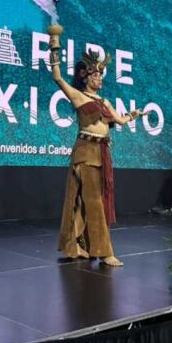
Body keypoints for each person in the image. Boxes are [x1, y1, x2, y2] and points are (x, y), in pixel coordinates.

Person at [47, 24, 144, 267]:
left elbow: (119, 120)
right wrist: (54, 45)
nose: (99, 78)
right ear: (86, 77)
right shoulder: (78, 96)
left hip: (102, 153)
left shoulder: (104, 101)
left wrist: (134, 115)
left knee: (88, 200)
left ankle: (78, 246)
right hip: (85, 153)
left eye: (101, 75)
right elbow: (57, 77)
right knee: (93, 202)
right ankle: (103, 251)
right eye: (95, 75)